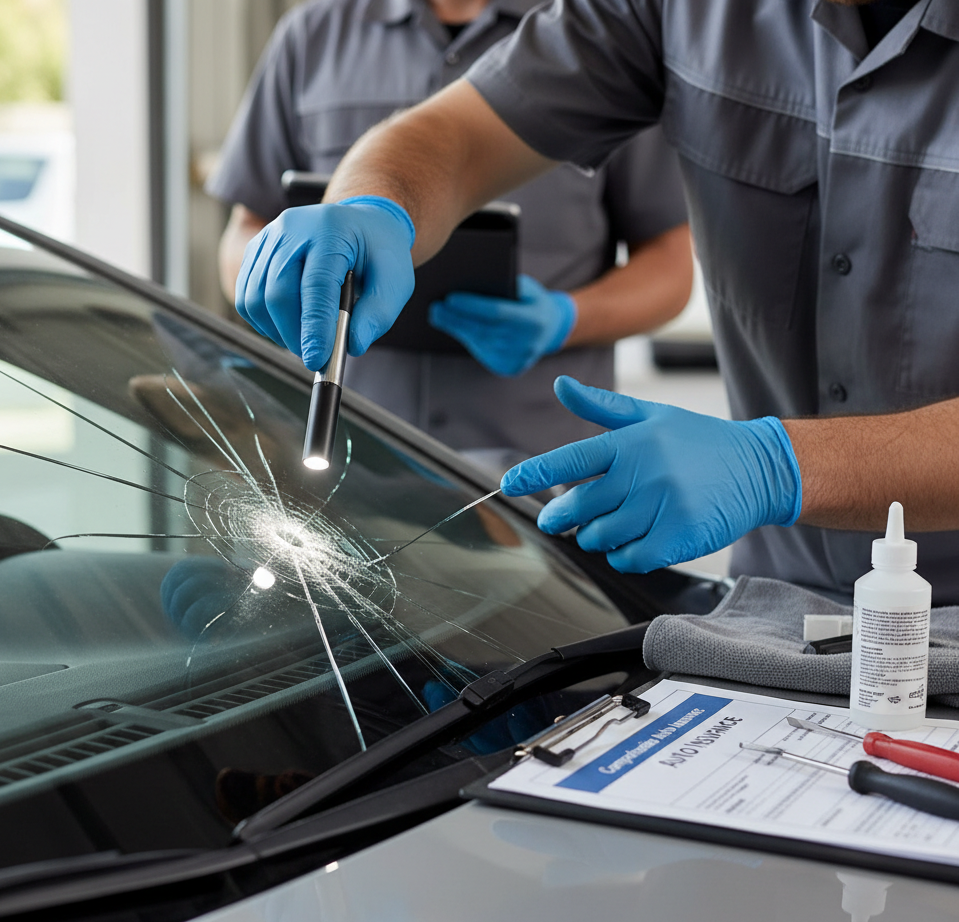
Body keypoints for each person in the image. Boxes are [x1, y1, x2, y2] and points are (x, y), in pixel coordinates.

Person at [234, 0, 959, 603]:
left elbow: (664, 258)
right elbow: (454, 132)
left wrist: (781, 466)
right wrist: (379, 204)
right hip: (779, 607)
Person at [206, 0, 692, 473]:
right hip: (349, 456)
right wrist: (283, 280)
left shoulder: (598, 43)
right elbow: (245, 231)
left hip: (538, 470)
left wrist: (567, 319)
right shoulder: (311, 36)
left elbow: (672, 266)